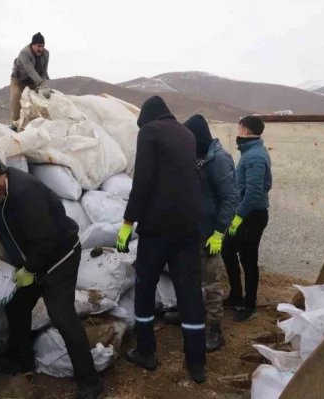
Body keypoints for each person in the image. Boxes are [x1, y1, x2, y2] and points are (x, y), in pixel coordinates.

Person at [0, 153, 103, 399]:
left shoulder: (25, 193)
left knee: (61, 315)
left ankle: (90, 382)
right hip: (34, 260)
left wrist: (31, 272)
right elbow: (3, 224)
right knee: (16, 307)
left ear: (4, 173)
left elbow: (46, 240)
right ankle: (23, 361)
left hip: (60, 257)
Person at [116, 96, 207, 383]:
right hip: (190, 228)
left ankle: (147, 353)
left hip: (158, 228)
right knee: (190, 292)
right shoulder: (187, 134)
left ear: (147, 118)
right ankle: (197, 365)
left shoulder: (150, 131)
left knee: (144, 287)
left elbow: (142, 181)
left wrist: (127, 223)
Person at [183, 114, 238, 351]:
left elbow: (230, 198)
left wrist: (219, 232)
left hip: (210, 233)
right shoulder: (198, 157)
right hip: (194, 229)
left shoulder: (218, 160)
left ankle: (215, 330)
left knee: (210, 282)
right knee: (192, 278)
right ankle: (193, 314)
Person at [221, 116, 272, 322]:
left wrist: (238, 217)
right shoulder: (250, 152)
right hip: (245, 214)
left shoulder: (255, 156)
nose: (237, 132)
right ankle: (235, 295)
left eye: (238, 128)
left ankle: (250, 305)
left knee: (248, 259)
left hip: (251, 216)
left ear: (244, 131)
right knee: (228, 250)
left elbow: (254, 192)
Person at [9, 32, 51, 131]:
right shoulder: (24, 53)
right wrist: (42, 84)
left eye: (42, 46)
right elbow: (30, 70)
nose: (41, 49)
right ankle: (15, 126)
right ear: (32, 45)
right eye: (38, 46)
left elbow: (44, 71)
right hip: (19, 81)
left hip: (33, 82)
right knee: (16, 99)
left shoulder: (46, 54)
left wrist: (42, 86)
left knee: (36, 104)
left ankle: (32, 128)